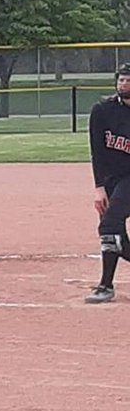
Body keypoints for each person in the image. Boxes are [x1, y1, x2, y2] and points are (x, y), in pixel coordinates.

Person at [85, 64, 130, 304]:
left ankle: (105, 285)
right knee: (114, 233)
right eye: (121, 80)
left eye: (128, 80)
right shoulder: (103, 110)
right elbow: (97, 152)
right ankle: (106, 285)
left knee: (108, 226)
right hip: (112, 179)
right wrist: (99, 187)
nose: (124, 84)